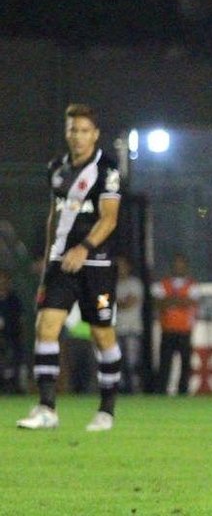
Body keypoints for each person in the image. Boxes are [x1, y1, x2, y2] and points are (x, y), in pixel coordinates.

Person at [16, 103, 123, 432]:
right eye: (72, 130)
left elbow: (109, 219)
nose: (77, 137)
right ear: (67, 133)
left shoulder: (107, 170)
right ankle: (47, 408)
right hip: (61, 265)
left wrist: (84, 247)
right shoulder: (57, 169)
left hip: (96, 266)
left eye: (84, 131)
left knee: (101, 334)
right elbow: (55, 216)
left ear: (95, 134)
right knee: (46, 328)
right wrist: (49, 256)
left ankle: (106, 410)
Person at [151, 253, 199, 395]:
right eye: (176, 264)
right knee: (165, 363)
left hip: (185, 329)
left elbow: (190, 302)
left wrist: (170, 300)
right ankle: (162, 390)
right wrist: (179, 300)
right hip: (167, 329)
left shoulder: (192, 284)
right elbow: (158, 304)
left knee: (185, 363)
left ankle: (183, 390)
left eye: (181, 264)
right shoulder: (162, 283)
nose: (178, 267)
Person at [115, 255, 145, 393]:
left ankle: (134, 389)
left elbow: (130, 303)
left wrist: (117, 303)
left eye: (123, 265)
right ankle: (119, 389)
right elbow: (103, 304)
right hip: (115, 329)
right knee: (117, 362)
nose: (121, 269)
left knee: (132, 363)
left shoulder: (135, 284)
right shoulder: (111, 283)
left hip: (132, 329)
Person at [0, 269, 25, 394]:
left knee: (14, 363)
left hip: (12, 337)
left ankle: (15, 387)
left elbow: (20, 319)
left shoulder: (13, 299)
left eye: (4, 279)